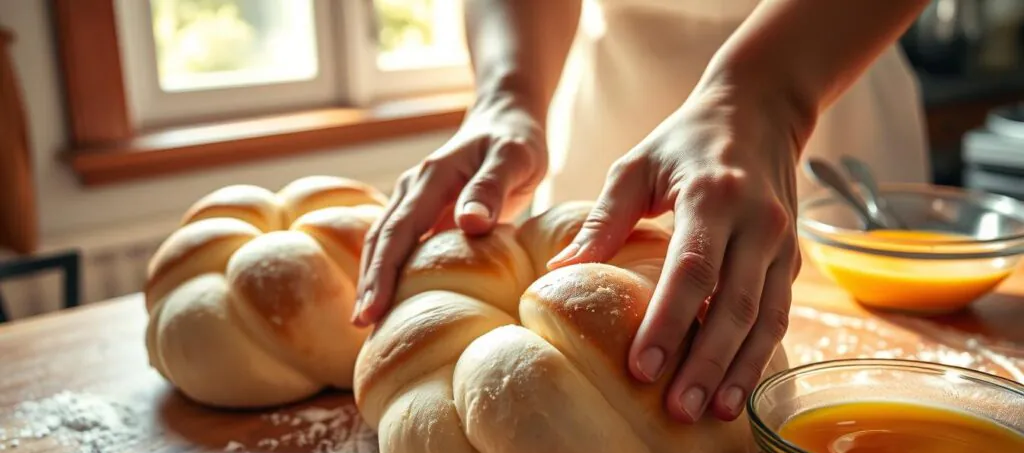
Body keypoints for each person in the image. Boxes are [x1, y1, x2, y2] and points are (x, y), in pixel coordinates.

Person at [351, 0, 932, 425]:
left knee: (867, 387)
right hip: (612, 101)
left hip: (825, 61)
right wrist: (508, 93)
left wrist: (769, 97)